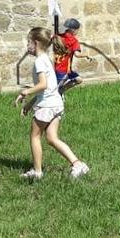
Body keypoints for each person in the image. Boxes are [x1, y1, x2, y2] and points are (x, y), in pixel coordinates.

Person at [15, 27, 89, 181]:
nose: (27, 45)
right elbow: (49, 89)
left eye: (28, 42)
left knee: (35, 136)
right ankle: (78, 164)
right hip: (56, 103)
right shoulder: (47, 60)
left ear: (36, 43)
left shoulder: (39, 62)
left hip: (47, 107)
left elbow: (43, 85)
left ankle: (37, 171)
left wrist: (25, 92)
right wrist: (29, 105)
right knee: (52, 138)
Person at [55, 17, 88, 93]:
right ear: (74, 30)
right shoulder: (74, 41)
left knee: (78, 80)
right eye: (78, 30)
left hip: (59, 67)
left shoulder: (58, 37)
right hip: (63, 70)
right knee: (54, 91)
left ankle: (61, 90)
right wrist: (86, 55)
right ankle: (58, 93)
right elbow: (77, 54)